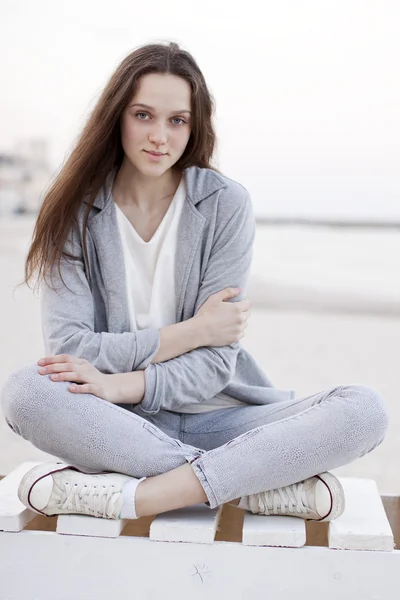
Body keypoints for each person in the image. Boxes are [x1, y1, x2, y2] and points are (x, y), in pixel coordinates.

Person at [1, 42, 388, 522]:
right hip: (121, 430)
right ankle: (247, 485)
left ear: (194, 125)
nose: (159, 136)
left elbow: (214, 366)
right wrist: (191, 333)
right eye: (143, 115)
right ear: (116, 117)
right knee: (26, 392)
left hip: (222, 420)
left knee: (363, 410)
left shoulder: (224, 204)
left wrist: (123, 386)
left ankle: (146, 495)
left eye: (177, 120)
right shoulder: (73, 213)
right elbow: (71, 351)